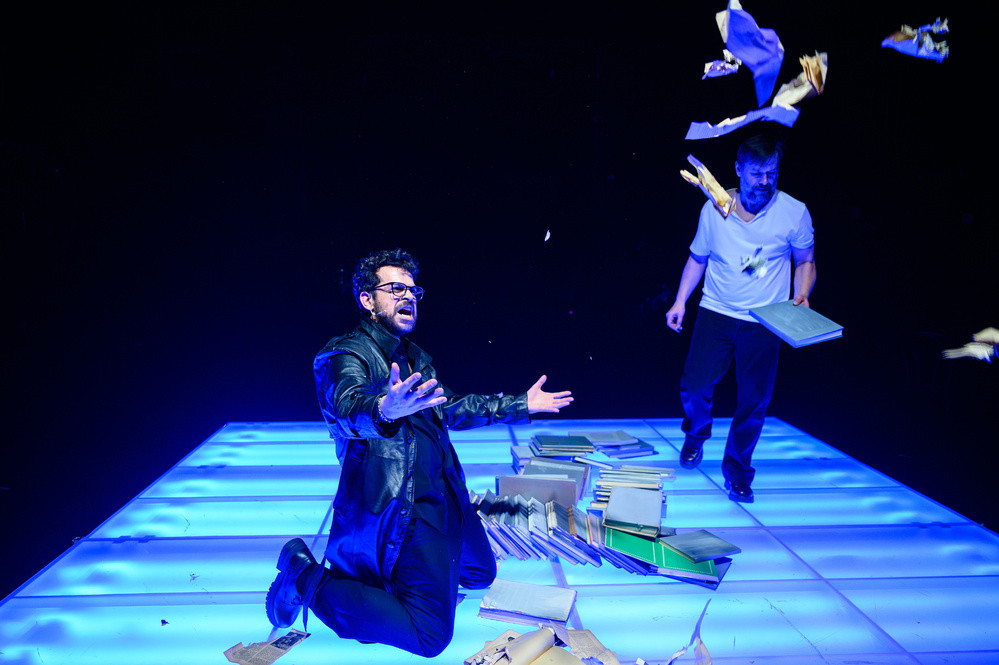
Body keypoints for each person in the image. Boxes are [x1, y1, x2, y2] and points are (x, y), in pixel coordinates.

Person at [265, 248, 573, 657]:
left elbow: (450, 407)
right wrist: (384, 409)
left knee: (480, 573)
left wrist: (520, 404)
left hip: (444, 493)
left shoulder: (413, 357)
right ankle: (304, 576)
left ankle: (392, 588)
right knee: (430, 637)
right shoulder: (345, 354)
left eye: (413, 290)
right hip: (400, 508)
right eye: (395, 289)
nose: (408, 296)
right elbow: (348, 406)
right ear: (367, 299)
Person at [665, 135, 816, 503]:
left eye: (772, 173)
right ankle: (696, 434)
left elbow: (805, 260)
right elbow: (698, 258)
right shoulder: (713, 210)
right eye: (756, 174)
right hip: (716, 311)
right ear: (738, 170)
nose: (765, 182)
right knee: (695, 386)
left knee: (754, 400)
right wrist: (680, 301)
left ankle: (737, 470)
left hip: (765, 319)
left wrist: (802, 293)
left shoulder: (794, 211)